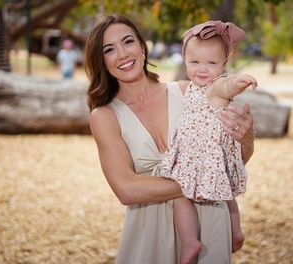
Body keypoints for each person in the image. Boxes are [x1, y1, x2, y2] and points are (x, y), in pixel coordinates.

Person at [85, 14, 255, 264]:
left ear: (142, 47)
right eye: (109, 49)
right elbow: (126, 190)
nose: (122, 54)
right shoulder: (105, 116)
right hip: (149, 232)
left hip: (209, 223)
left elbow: (231, 159)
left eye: (128, 42)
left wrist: (247, 138)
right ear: (102, 61)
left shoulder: (191, 92)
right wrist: (205, 182)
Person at [159, 21, 257, 264]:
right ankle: (234, 230)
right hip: (198, 152)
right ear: (184, 60)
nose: (202, 70)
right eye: (195, 62)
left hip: (204, 153)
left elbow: (227, 86)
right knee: (224, 194)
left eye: (212, 63)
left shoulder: (215, 87)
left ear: (224, 63)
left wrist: (240, 81)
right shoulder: (192, 87)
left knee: (181, 195)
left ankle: (191, 241)